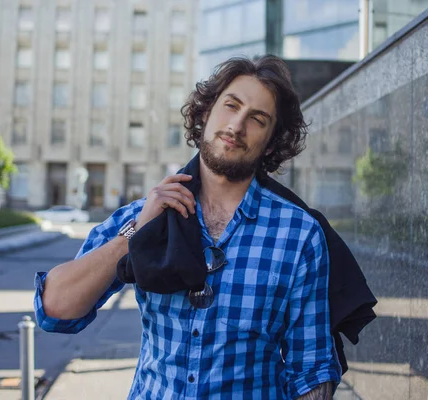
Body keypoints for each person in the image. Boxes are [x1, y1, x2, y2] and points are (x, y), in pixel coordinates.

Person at [34, 55, 342, 399]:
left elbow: (310, 369)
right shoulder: (145, 214)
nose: (236, 126)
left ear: (270, 142)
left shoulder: (299, 233)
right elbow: (55, 311)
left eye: (256, 119)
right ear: (208, 112)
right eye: (231, 106)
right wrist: (135, 234)